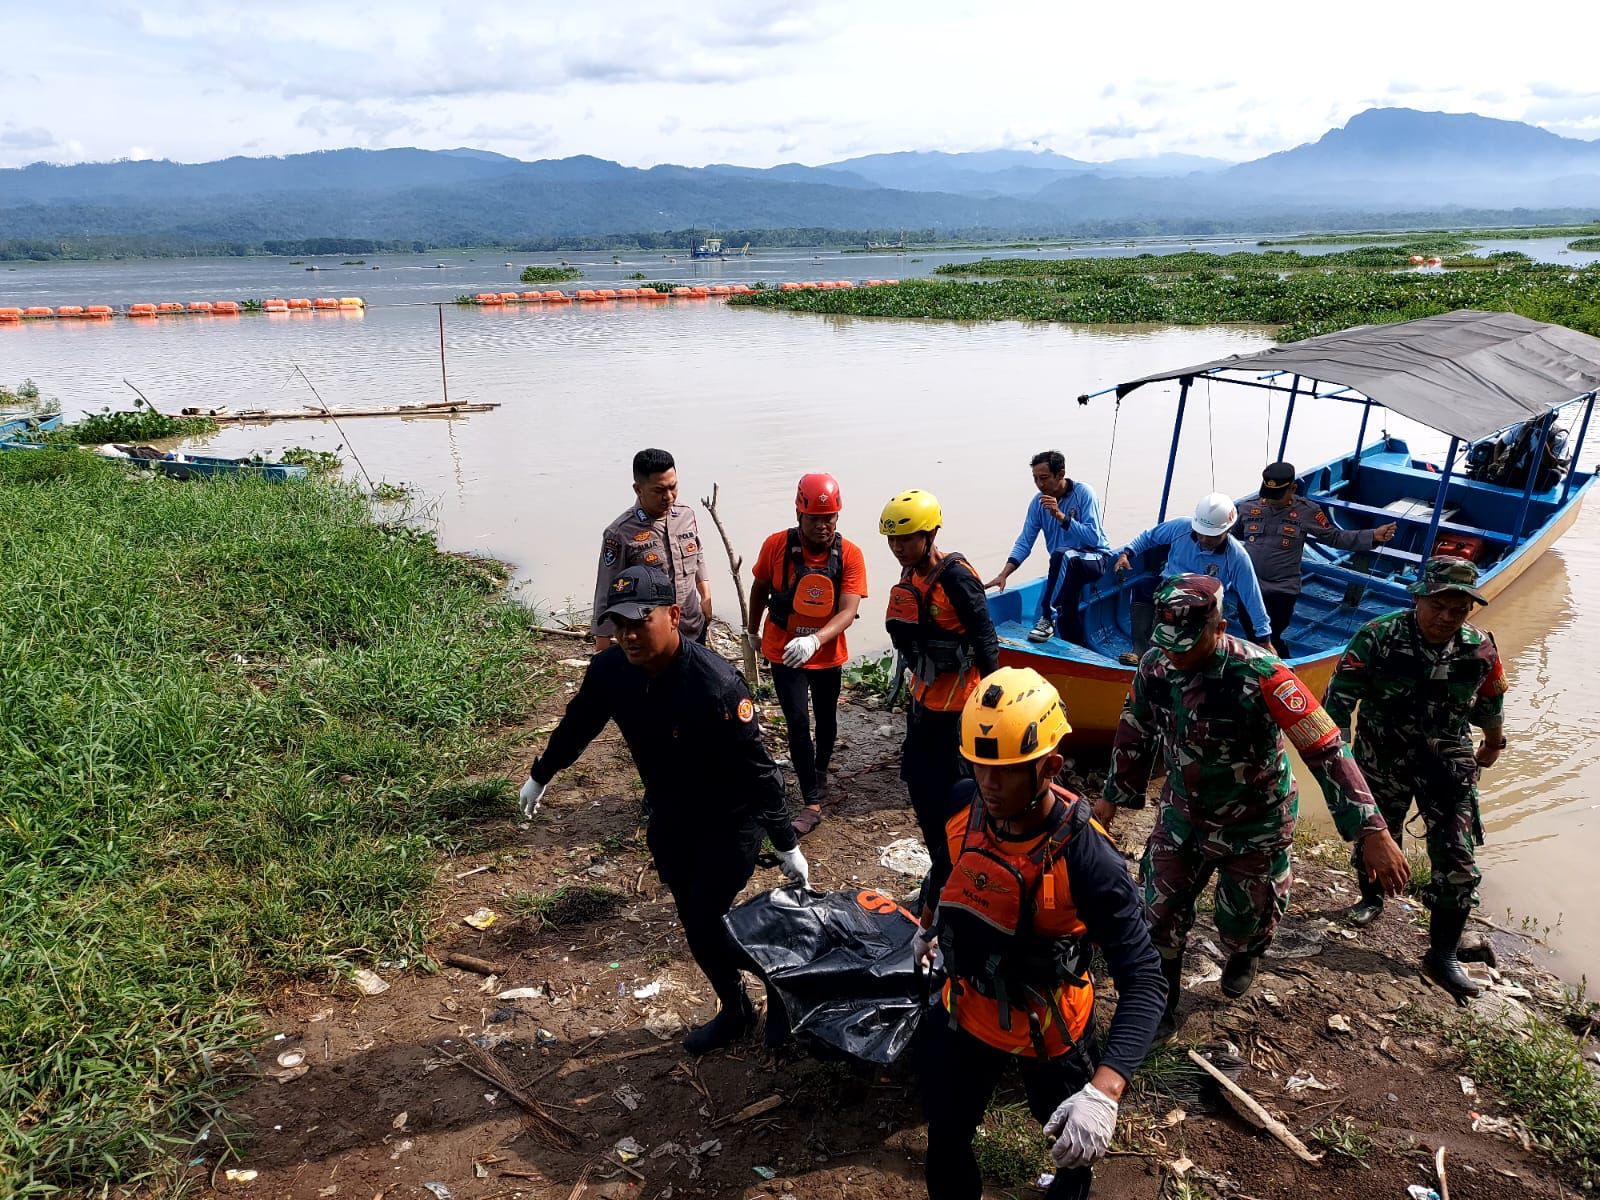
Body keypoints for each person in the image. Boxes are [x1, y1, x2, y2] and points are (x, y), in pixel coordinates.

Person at [1094, 575, 1408, 1037]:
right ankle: (1159, 1007)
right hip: (1183, 814)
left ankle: (1246, 951)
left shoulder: (1265, 674)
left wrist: (1373, 830)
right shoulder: (1157, 666)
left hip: (1255, 822)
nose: (1175, 655)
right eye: (1167, 644)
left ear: (1218, 626)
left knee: (1243, 921)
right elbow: (1135, 732)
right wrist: (1109, 801)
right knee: (1157, 913)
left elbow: (1325, 748)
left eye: (1188, 643)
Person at [520, 566, 809, 1053]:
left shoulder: (715, 684)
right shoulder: (612, 671)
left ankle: (784, 986)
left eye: (641, 620)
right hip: (671, 816)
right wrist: (540, 774)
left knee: (704, 918)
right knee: (693, 919)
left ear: (674, 616)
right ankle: (736, 1008)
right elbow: (578, 724)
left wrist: (785, 843)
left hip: (729, 820)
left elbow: (758, 769)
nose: (629, 634)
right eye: (619, 624)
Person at [915, 667, 1164, 1200]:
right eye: (980, 767)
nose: (990, 785)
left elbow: (1145, 979)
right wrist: (929, 921)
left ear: (1050, 766)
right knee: (946, 1138)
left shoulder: (1088, 856)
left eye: (1006, 771)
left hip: (1052, 1025)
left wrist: (1105, 1088)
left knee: (1070, 1148)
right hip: (967, 1010)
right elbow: (943, 870)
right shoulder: (963, 804)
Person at [1322, 556, 1507, 999]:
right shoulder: (1378, 637)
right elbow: (1337, 704)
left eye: (1458, 609)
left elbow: (1491, 701)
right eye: (1438, 605)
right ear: (1418, 597)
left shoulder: (1480, 647)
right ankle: (1371, 899)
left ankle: (1441, 954)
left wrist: (1493, 743)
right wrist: (1341, 763)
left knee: (1459, 863)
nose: (1446, 618)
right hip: (1381, 760)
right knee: (1376, 839)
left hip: (1449, 765)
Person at [880, 489, 1000, 894]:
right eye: (893, 540)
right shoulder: (910, 575)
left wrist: (994, 696)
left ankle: (964, 871)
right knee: (918, 785)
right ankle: (942, 863)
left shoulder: (957, 578)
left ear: (929, 535)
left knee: (957, 794)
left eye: (906, 538)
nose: (898, 547)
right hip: (923, 705)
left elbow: (985, 638)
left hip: (960, 710)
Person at [748, 472, 868, 837]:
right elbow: (760, 587)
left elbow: (848, 610)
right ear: (799, 514)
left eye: (829, 517)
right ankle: (811, 800)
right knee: (798, 722)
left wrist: (816, 640)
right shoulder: (775, 546)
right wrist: (751, 631)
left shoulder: (849, 554)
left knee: (827, 720)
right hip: (784, 651)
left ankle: (820, 769)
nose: (823, 525)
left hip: (826, 652)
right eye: (815, 518)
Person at [1233, 461, 1397, 656]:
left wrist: (1372, 536)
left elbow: (1334, 537)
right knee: (1250, 634)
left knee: (1269, 636)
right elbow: (1229, 537)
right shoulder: (1247, 508)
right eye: (1268, 495)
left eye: (1277, 496)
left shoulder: (1307, 511)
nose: (1271, 501)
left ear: (1292, 488)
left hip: (1281, 590)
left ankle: (1282, 668)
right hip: (1250, 586)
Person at [1112, 492, 1272, 665]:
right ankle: (1140, 650)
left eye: (1212, 536)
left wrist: (1264, 639)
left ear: (1228, 530)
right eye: (1200, 533)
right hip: (1171, 586)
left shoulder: (1237, 557)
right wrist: (1126, 554)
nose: (1204, 539)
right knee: (1144, 586)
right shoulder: (1181, 527)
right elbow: (1149, 537)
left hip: (1204, 600)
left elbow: (1252, 596)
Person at [984, 450, 1113, 644]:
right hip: (1065, 565)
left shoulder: (1084, 493)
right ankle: (1078, 652)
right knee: (1067, 613)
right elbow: (1025, 541)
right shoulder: (1037, 503)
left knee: (1063, 555)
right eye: (1035, 479)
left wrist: (1061, 516)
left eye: (1044, 478)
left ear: (1060, 474)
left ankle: (1046, 616)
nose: (1039, 484)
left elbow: (1094, 538)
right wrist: (1005, 573)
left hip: (1094, 559)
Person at [592, 448, 711, 651]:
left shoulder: (686, 516)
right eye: (659, 490)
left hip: (692, 627)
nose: (669, 496)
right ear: (638, 489)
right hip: (651, 637)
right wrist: (603, 644)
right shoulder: (620, 533)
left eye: (673, 487)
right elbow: (606, 588)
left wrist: (706, 596)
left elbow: (697, 555)